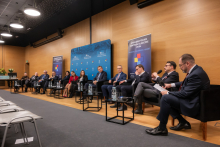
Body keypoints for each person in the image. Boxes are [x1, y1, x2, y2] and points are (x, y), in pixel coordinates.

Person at [146, 54, 210, 136]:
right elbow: (185, 82)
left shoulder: (196, 74)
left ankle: (161, 128)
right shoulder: (196, 71)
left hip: (192, 103)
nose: (180, 67)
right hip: (190, 99)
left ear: (187, 63)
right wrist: (171, 85)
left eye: (180, 65)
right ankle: (183, 122)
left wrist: (168, 92)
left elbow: (185, 93)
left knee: (166, 98)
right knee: (167, 99)